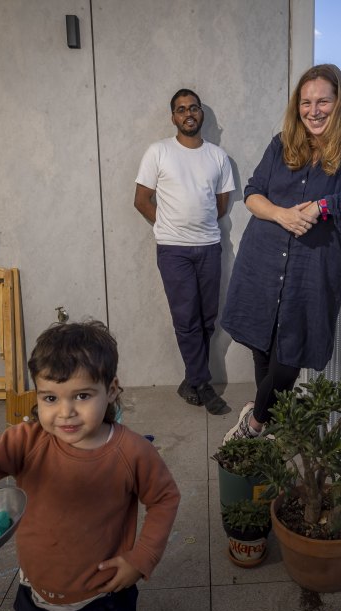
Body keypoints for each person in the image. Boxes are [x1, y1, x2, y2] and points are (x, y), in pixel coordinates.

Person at [0, 320, 180, 611]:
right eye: (50, 398)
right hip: (34, 593)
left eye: (82, 396)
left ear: (111, 390)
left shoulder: (132, 452)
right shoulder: (28, 441)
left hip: (102, 600)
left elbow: (165, 498)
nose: (66, 412)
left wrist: (142, 558)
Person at [221, 64, 341, 443]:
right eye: (306, 102)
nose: (314, 110)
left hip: (312, 267)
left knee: (290, 352)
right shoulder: (281, 143)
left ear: (339, 102)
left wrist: (322, 206)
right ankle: (270, 422)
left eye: (323, 102)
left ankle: (255, 422)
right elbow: (252, 193)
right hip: (263, 256)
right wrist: (281, 214)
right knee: (263, 341)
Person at [134, 88, 235, 415]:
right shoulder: (158, 152)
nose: (188, 113)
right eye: (181, 109)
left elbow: (220, 205)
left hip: (209, 247)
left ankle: (190, 381)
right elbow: (141, 199)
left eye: (193, 108)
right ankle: (203, 384)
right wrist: (167, 227)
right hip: (173, 251)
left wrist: (196, 225)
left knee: (207, 319)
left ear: (200, 114)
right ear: (173, 116)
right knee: (186, 319)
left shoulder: (217, 157)